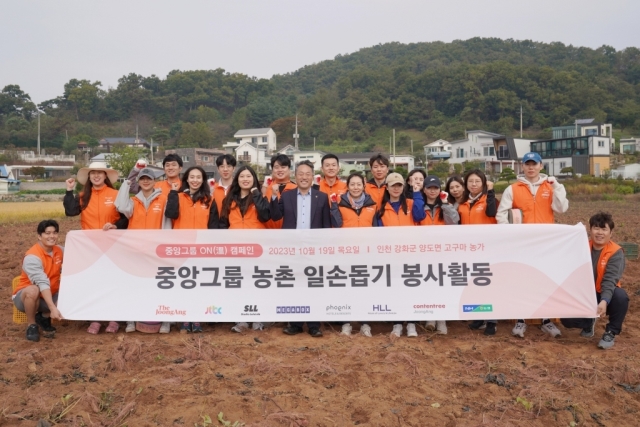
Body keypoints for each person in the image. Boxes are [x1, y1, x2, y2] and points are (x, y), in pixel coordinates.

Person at [497, 152, 569, 338]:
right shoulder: (512, 188)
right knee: (522, 279)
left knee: (545, 280)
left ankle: (546, 320)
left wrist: (558, 187)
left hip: (546, 243)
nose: (531, 167)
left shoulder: (551, 186)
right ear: (522, 166)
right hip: (522, 244)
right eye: (527, 164)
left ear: (540, 166)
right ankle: (521, 320)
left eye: (534, 164)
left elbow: (562, 208)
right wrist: (513, 234)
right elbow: (501, 214)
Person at [64, 162, 127, 334]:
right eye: (93, 173)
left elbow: (126, 218)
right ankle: (96, 318)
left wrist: (115, 225)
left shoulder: (116, 194)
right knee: (94, 282)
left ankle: (114, 318)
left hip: (113, 246)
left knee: (112, 281)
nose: (96, 176)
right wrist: (69, 191)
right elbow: (70, 212)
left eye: (100, 173)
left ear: (106, 176)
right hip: (89, 248)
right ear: (89, 177)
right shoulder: (84, 196)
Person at [270, 160, 331, 337]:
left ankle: (314, 325)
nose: (304, 177)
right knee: (295, 285)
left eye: (307, 174)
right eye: (301, 174)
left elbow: (326, 226)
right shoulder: (287, 196)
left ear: (313, 177)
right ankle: (295, 323)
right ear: (295, 176)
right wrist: (274, 196)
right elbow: (275, 216)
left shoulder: (322, 197)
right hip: (292, 249)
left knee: (313, 286)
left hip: (314, 250)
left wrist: (324, 250)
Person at [116, 167, 172, 334]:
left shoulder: (163, 199)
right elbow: (120, 205)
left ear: (155, 181)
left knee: (160, 287)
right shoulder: (133, 202)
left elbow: (167, 224)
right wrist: (128, 181)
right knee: (134, 286)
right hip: (136, 251)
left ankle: (165, 321)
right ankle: (131, 320)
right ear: (138, 182)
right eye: (142, 179)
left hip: (156, 252)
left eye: (149, 178)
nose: (146, 181)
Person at [561, 212, 629, 349]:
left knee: (621, 297)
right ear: (590, 230)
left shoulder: (616, 252)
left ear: (611, 233)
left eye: (604, 229)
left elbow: (610, 280)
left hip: (605, 293)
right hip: (585, 293)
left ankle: (610, 332)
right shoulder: (582, 247)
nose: (599, 233)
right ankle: (588, 321)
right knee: (566, 319)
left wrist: (604, 301)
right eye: (596, 228)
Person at [165, 166, 219, 333]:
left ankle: (196, 318)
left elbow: (214, 227)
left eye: (198, 177)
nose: (195, 180)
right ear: (186, 179)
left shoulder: (209, 200)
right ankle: (184, 318)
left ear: (203, 180)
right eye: (192, 177)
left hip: (201, 251)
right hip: (181, 249)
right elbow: (171, 214)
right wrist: (173, 194)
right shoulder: (178, 196)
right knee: (183, 285)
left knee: (199, 286)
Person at [219, 166, 271, 332]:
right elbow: (223, 224)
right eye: (242, 176)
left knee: (257, 284)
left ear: (254, 179)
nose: (245, 179)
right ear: (237, 179)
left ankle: (258, 319)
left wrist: (257, 195)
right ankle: (241, 320)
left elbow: (265, 216)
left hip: (257, 250)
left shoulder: (259, 197)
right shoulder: (229, 199)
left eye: (249, 176)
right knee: (239, 285)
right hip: (235, 250)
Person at [329, 172, 377, 337]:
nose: (355, 187)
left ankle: (365, 323)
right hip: (345, 254)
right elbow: (336, 223)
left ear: (364, 185)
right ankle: (346, 323)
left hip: (366, 254)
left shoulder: (373, 204)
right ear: (347, 186)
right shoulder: (340, 203)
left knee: (365, 289)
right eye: (352, 184)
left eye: (358, 184)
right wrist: (334, 205)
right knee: (346, 289)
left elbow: (377, 230)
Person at [376, 173, 424, 337]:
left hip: (411, 256)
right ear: (387, 188)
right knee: (395, 290)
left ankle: (411, 323)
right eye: (393, 185)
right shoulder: (381, 209)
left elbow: (420, 216)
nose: (396, 188)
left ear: (403, 187)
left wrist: (417, 192)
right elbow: (379, 234)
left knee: (411, 290)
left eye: (399, 185)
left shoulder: (411, 203)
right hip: (391, 258)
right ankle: (397, 323)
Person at [415, 175, 460, 335]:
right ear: (424, 189)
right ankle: (430, 317)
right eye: (429, 188)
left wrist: (446, 203)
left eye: (435, 188)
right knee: (427, 284)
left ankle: (442, 319)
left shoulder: (445, 206)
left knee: (442, 285)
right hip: (423, 253)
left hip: (442, 253)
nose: (432, 191)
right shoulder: (419, 206)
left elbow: (454, 221)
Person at [458, 169, 499, 335]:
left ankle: (492, 321)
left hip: (487, 249)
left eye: (477, 181)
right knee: (474, 284)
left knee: (488, 285)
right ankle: (480, 317)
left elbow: (491, 213)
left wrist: (490, 192)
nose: (473, 184)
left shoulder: (489, 200)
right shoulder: (463, 203)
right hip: (469, 250)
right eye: (470, 181)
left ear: (483, 183)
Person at [12, 220, 64, 342]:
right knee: (33, 290)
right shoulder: (32, 256)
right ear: (39, 236)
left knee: (70, 296)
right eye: (47, 233)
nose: (52, 236)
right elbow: (42, 282)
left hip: (50, 293)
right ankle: (32, 325)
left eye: (55, 232)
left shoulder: (60, 250)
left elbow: (77, 254)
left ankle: (43, 317)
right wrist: (52, 308)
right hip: (26, 298)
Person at [262, 154, 297, 229]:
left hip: (290, 233)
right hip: (268, 233)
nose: (280, 170)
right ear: (272, 170)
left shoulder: (296, 189)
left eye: (283, 167)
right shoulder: (267, 188)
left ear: (289, 169)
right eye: (276, 167)